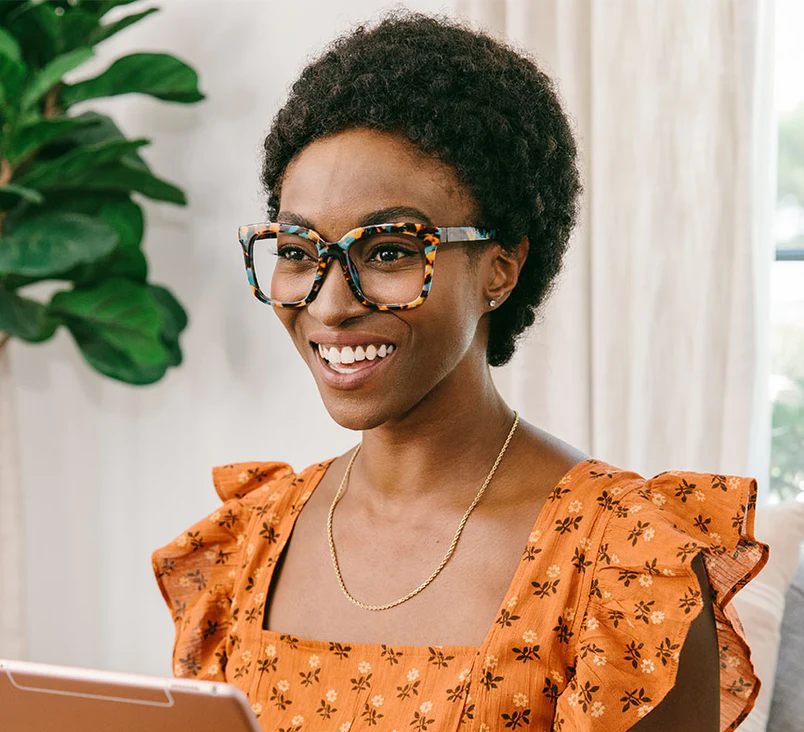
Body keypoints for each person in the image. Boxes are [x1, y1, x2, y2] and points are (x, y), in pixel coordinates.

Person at [152, 10, 769, 731]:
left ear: (500, 270)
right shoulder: (246, 546)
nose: (330, 301)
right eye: (296, 250)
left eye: (388, 251)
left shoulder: (621, 568)